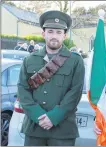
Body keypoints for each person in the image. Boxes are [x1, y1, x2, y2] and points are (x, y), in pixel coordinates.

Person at [17, 10, 85, 146]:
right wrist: (38, 116)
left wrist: (53, 117)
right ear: (44, 34)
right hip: (34, 128)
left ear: (64, 35)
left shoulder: (75, 61)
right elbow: (22, 90)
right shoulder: (29, 60)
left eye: (59, 32)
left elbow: (75, 93)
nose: (54, 36)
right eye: (51, 31)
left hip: (63, 130)